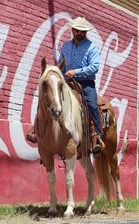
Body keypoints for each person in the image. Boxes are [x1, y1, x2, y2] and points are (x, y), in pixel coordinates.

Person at [27, 16, 103, 154]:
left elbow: (95, 67)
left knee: (92, 103)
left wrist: (76, 72)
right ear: (72, 30)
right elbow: (62, 63)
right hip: (66, 81)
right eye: (77, 30)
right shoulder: (65, 46)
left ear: (86, 32)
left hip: (85, 82)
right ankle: (36, 129)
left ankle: (96, 135)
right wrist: (57, 74)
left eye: (82, 31)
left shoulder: (92, 47)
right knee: (48, 96)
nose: (80, 33)